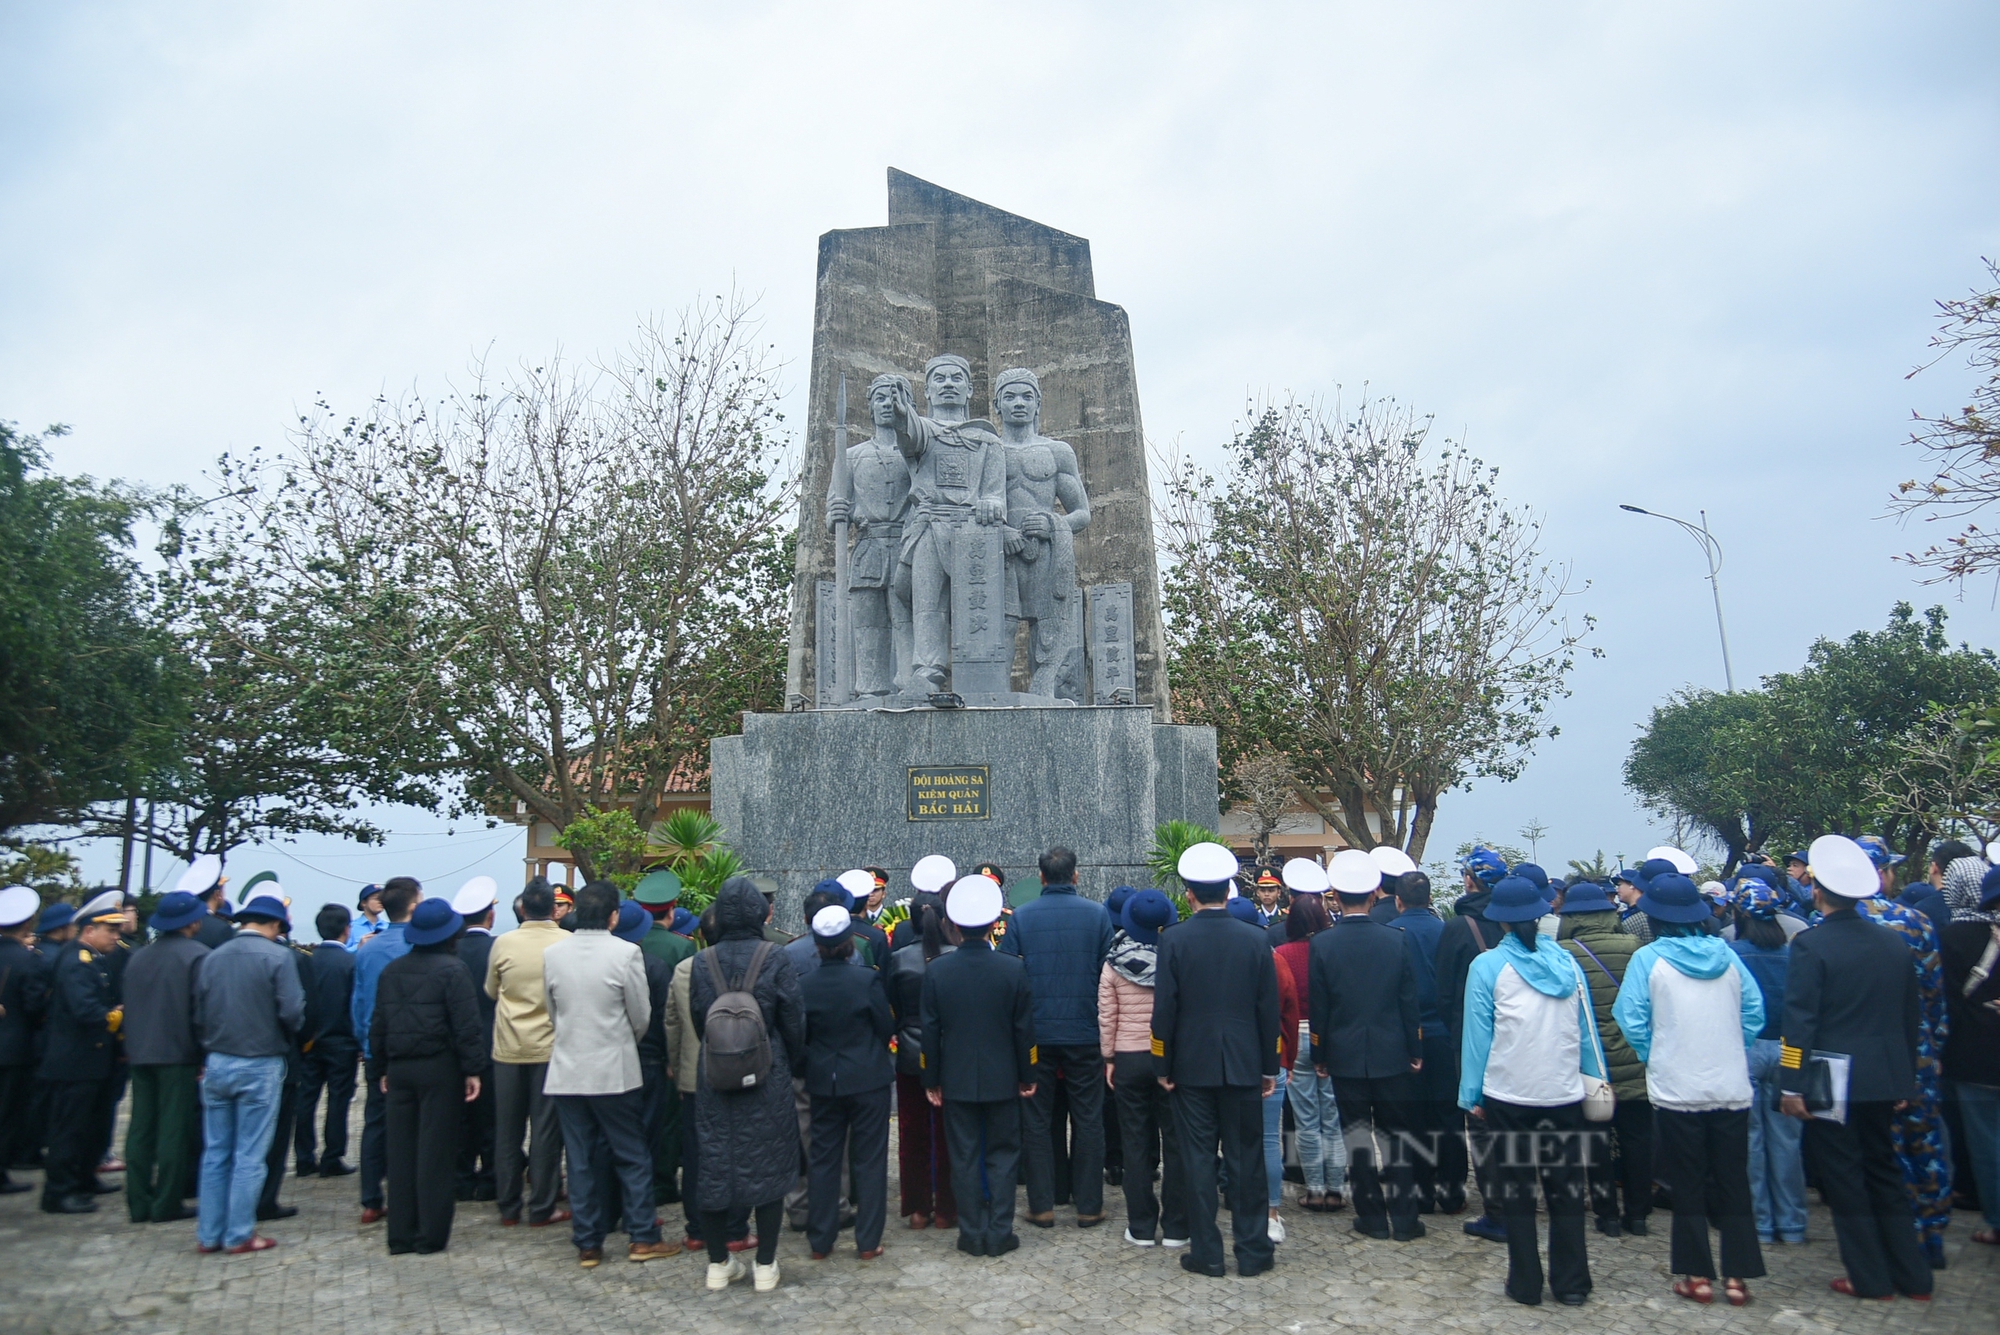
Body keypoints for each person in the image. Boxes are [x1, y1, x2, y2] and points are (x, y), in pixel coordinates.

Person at [1777, 835, 1932, 1302]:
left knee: (1844, 1177)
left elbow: (1798, 1023)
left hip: (1830, 1075)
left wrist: (1790, 1083)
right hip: (1886, 1073)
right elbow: (1910, 1018)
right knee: (1885, 1171)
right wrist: (1907, 1078)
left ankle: (1869, 1278)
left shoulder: (1811, 945)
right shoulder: (1893, 943)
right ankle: (1914, 1277)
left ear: (1818, 892)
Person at [1613, 872, 1767, 1306]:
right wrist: (1731, 1047)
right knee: (1734, 1180)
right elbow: (1755, 1012)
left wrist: (1657, 1052)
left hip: (1678, 1087)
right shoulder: (1727, 955)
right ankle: (1738, 1278)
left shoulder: (1648, 959)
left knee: (1689, 1182)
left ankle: (1697, 1276)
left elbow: (1630, 1017)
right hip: (1731, 1085)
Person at [1458, 874, 1607, 1307]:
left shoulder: (1486, 967)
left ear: (1500, 922)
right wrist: (1595, 1076)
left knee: (1518, 1194)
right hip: (1563, 1093)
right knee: (1565, 1191)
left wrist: (1473, 1096)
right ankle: (1573, 1283)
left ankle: (1524, 1284)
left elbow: (1478, 1038)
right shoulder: (1567, 964)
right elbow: (1585, 1031)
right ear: (1543, 914)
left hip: (1509, 1095)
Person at [1153, 842, 1280, 1279]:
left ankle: (1207, 1252)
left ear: (1188, 894)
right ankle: (1253, 1250)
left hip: (1190, 1066)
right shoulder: (1256, 938)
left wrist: (1162, 1065)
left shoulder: (1173, 939)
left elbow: (1163, 1010)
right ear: (1229, 891)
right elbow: (1269, 1011)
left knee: (1197, 1160)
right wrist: (1270, 1066)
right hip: (1244, 1063)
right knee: (1247, 1160)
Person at [541, 882, 671, 1267]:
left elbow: (553, 1011)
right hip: (614, 1068)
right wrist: (619, 1040)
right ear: (614, 916)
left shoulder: (554, 953)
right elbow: (641, 1014)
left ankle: (588, 1242)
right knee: (631, 1153)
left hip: (567, 1067)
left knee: (579, 1159)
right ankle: (643, 1235)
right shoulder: (626, 952)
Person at [691, 877, 806, 1292]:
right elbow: (793, 1019)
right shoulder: (775, 957)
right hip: (767, 1075)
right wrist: (791, 1061)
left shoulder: (704, 961)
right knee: (769, 1168)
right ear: (761, 913)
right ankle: (765, 1264)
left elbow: (698, 1017)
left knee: (716, 1167)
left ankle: (718, 1263)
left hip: (716, 1077)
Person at [920, 873, 1037, 1259]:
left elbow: (930, 1033)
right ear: (993, 924)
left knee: (965, 1156)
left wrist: (931, 1079)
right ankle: (1000, 1231)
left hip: (955, 1078)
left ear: (953, 925)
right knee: (1003, 1156)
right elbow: (1024, 1031)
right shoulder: (1013, 968)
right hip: (1003, 1077)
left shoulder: (937, 970)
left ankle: (971, 1233)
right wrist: (1027, 1074)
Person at [1850, 834, 1954, 1268]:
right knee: (1925, 1146)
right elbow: (1934, 998)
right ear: (1880, 873)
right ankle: (1930, 1241)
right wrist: (1935, 1044)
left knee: (1878, 1153)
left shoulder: (1833, 925)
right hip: (1917, 1054)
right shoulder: (1915, 923)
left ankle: (1890, 1245)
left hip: (1862, 1061)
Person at [1309, 850, 1423, 1242]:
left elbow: (1320, 1008)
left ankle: (1372, 1217)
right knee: (1397, 1138)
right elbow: (1409, 1002)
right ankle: (1406, 1219)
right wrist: (1415, 1050)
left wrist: (1320, 1054)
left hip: (1343, 1055)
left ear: (1335, 896)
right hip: (1392, 1053)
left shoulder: (1322, 945)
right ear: (1375, 893)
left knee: (1356, 1139)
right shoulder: (1396, 940)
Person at [998, 846, 1114, 1229]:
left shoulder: (1022, 918)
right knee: (1089, 1118)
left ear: (1042, 878)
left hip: (1037, 1034)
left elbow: (1010, 977)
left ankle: (1043, 1203)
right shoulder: (1098, 916)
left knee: (1036, 1118)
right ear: (1075, 876)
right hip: (1085, 1031)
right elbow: (1105, 976)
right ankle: (1089, 1204)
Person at [367, 898, 483, 1254]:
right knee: (436, 1151)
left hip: (400, 1068)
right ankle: (430, 1234)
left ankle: (400, 1233)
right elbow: (466, 1026)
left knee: (400, 1150)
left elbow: (379, 1024)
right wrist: (473, 1068)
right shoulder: (453, 970)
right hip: (439, 1068)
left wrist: (379, 1069)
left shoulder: (394, 970)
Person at [192, 893, 305, 1254]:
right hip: (260, 1062)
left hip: (217, 1061)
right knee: (249, 1154)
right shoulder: (279, 956)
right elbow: (292, 1012)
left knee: (215, 1152)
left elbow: (198, 1011)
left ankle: (209, 1234)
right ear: (275, 925)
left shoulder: (212, 958)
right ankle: (240, 1233)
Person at [1553, 879, 1651, 1237]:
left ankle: (1607, 1215)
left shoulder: (1562, 952)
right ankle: (1639, 1214)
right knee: (1638, 1139)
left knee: (1594, 1141)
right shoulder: (1635, 947)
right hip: (1635, 1059)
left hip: (1590, 1064)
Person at [799, 904, 895, 1260]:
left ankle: (821, 1240)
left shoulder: (804, 985)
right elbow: (885, 1026)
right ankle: (868, 1240)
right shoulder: (866, 979)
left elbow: (800, 1036)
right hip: (867, 1076)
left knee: (823, 1160)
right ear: (849, 944)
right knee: (869, 1159)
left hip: (824, 1080)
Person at [1100, 887, 1187, 1247]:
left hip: (1128, 1057)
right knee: (1177, 1142)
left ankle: (1141, 1226)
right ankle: (1178, 1227)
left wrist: (1108, 1057)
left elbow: (1107, 1016)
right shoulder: (1176, 956)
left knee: (1134, 1142)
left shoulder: (1113, 961)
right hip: (1170, 1058)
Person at [120, 890, 210, 1223]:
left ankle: (138, 1201)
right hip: (178, 1054)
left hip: (140, 1051)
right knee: (174, 1130)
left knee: (140, 1128)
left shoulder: (138, 956)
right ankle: (167, 1202)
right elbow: (201, 1012)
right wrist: (203, 1052)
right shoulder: (198, 956)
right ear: (193, 921)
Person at [1434, 847, 1509, 1242]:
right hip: (1520, 1036)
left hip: (1471, 1035)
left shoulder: (1459, 927)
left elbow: (1443, 991)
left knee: (1479, 1120)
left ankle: (1496, 1210)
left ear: (1469, 880)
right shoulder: (1517, 923)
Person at [485, 876, 569, 1229]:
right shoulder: (566, 942)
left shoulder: (504, 943)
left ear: (521, 908)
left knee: (507, 1131)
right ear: (554, 908)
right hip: (550, 1047)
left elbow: (491, 990)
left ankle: (507, 1205)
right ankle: (542, 1205)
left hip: (508, 1048)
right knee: (546, 1133)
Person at [38, 890, 128, 1215]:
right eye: (111, 930)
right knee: (69, 1130)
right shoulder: (77, 961)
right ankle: (59, 1191)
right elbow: (85, 1009)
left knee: (90, 1127)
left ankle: (82, 1178)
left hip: (90, 1061)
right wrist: (119, 1014)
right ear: (89, 930)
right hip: (73, 1063)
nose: (116, 936)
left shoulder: (92, 959)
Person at [1729, 880, 1805, 1246]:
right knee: (1788, 1141)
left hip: (1745, 1048)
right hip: (1789, 1049)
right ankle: (1792, 1224)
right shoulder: (1795, 955)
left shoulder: (1732, 954)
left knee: (1751, 1140)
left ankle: (1760, 1223)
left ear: (1738, 914)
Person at [1275, 866, 1347, 1213]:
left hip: (1296, 1038)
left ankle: (1315, 1189)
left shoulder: (1283, 954)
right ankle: (1337, 1186)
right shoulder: (1332, 948)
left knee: (1305, 1118)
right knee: (1332, 1116)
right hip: (1330, 1037)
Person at [1389, 869, 1459, 1214]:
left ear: (1398, 901)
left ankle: (1422, 1190)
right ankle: (1454, 1189)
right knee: (1448, 1113)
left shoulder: (1391, 934)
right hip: (1443, 1033)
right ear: (1430, 898)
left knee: (1413, 1114)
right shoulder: (1445, 930)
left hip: (1406, 1037)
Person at [351, 876, 421, 1223]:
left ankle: (370, 1198)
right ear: (412, 906)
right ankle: (406, 1193)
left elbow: (358, 1003)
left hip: (375, 1049)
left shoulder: (368, 948)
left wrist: (365, 1044)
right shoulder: (416, 947)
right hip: (412, 1049)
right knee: (412, 1126)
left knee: (375, 1123)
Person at [1939, 861, 2000, 1248]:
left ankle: (1996, 1222)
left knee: (1986, 1143)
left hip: (1974, 1057)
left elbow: (1946, 1004)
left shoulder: (1954, 935)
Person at [888, 889, 956, 1231]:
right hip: (950, 1052)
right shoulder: (956, 955)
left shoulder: (898, 958)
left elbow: (892, 1008)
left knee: (912, 1133)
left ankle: (917, 1208)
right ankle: (947, 1207)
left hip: (911, 1051)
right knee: (950, 1133)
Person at [611, 899, 677, 1247]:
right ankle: (640, 1213)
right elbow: (665, 1019)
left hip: (609, 1061)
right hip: (649, 1060)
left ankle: (607, 1210)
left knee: (607, 1138)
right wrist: (670, 1059)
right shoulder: (653, 966)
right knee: (645, 1140)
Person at [633, 868, 695, 1206]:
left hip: (632, 1044)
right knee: (668, 1118)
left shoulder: (631, 943)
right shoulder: (681, 949)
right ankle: (663, 1182)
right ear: (671, 910)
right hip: (666, 1045)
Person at [295, 904, 359, 1178]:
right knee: (338, 1101)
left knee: (306, 1099)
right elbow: (355, 1005)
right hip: (342, 1041)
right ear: (347, 929)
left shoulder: (307, 960)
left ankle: (303, 1157)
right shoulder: (350, 963)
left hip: (309, 1042)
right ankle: (332, 1156)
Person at [0, 885, 52, 1196]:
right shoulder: (27, 960)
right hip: (14, 1049)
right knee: (7, 1115)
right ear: (28, 923)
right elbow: (36, 1007)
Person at [451, 878, 499, 1203]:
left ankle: (461, 1180)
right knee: (493, 1119)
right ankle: (492, 1180)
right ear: (490, 916)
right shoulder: (498, 948)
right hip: (494, 1042)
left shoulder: (448, 950)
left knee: (460, 1120)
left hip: (456, 1046)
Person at [352, 884, 390, 950]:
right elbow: (341, 952)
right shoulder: (351, 927)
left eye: (382, 898)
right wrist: (358, 947)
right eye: (376, 898)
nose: (381, 902)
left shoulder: (389, 927)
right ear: (364, 903)